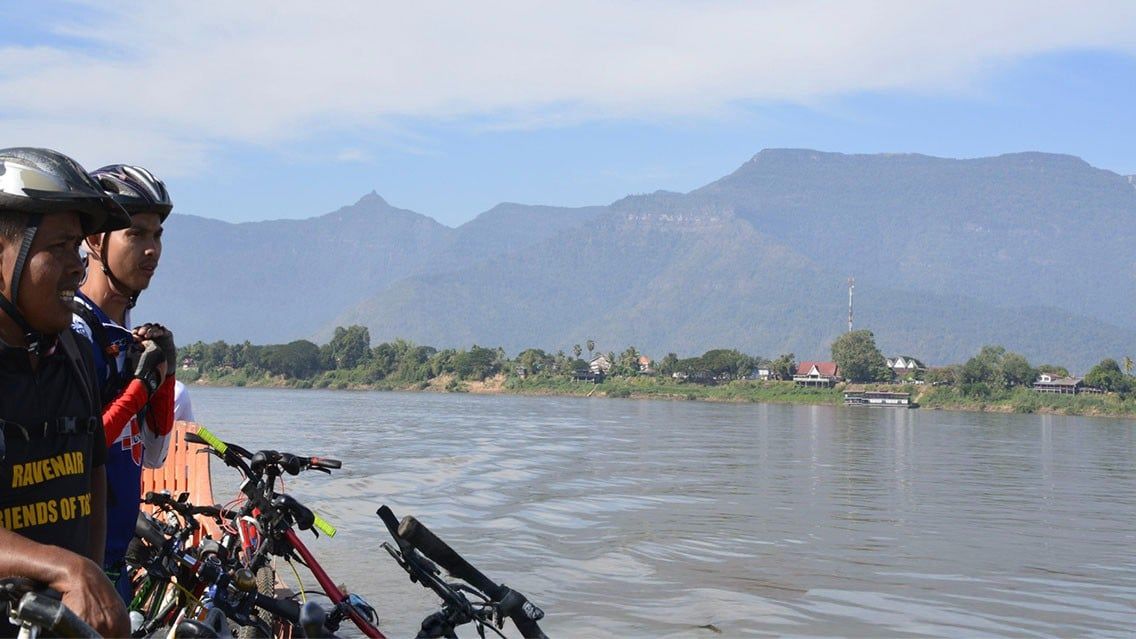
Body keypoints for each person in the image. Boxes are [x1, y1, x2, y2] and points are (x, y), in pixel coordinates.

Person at [0, 147, 132, 637]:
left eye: (78, 249)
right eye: (57, 248)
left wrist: (90, 574)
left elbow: (93, 475)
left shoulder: (75, 354)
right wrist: (64, 567)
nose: (77, 267)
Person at [71, 163, 177, 602]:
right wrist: (138, 390)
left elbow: (153, 455)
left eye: (157, 236)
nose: (151, 249)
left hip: (114, 569)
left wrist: (162, 383)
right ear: (96, 241)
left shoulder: (127, 334)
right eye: (136, 234)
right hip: (76, 572)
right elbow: (75, 455)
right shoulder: (76, 333)